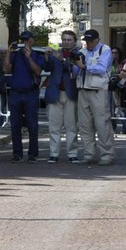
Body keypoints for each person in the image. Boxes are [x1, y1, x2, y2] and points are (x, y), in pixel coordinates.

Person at [2, 30, 46, 163]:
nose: (24, 43)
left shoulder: (37, 54)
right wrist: (9, 53)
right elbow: (6, 69)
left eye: (27, 40)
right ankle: (17, 153)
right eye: (22, 40)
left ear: (32, 41)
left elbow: (38, 71)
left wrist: (29, 57)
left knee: (32, 125)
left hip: (30, 93)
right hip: (15, 93)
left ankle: (32, 154)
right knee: (15, 125)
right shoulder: (15, 54)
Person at [73, 28, 115, 166]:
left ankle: (106, 155)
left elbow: (102, 69)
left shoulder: (105, 49)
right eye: (87, 41)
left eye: (91, 41)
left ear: (97, 40)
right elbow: (75, 72)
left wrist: (84, 66)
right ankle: (88, 154)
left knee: (102, 124)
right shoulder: (83, 51)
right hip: (83, 90)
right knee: (84, 125)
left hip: (98, 91)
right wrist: (73, 62)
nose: (88, 43)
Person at [42, 29, 79, 163]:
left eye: (69, 40)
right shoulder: (55, 51)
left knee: (71, 126)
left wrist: (62, 59)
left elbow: (72, 69)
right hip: (54, 92)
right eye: (64, 39)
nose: (66, 42)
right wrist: (46, 56)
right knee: (54, 126)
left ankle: (72, 153)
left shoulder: (78, 54)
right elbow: (46, 68)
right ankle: (53, 153)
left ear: (74, 41)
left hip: (70, 93)